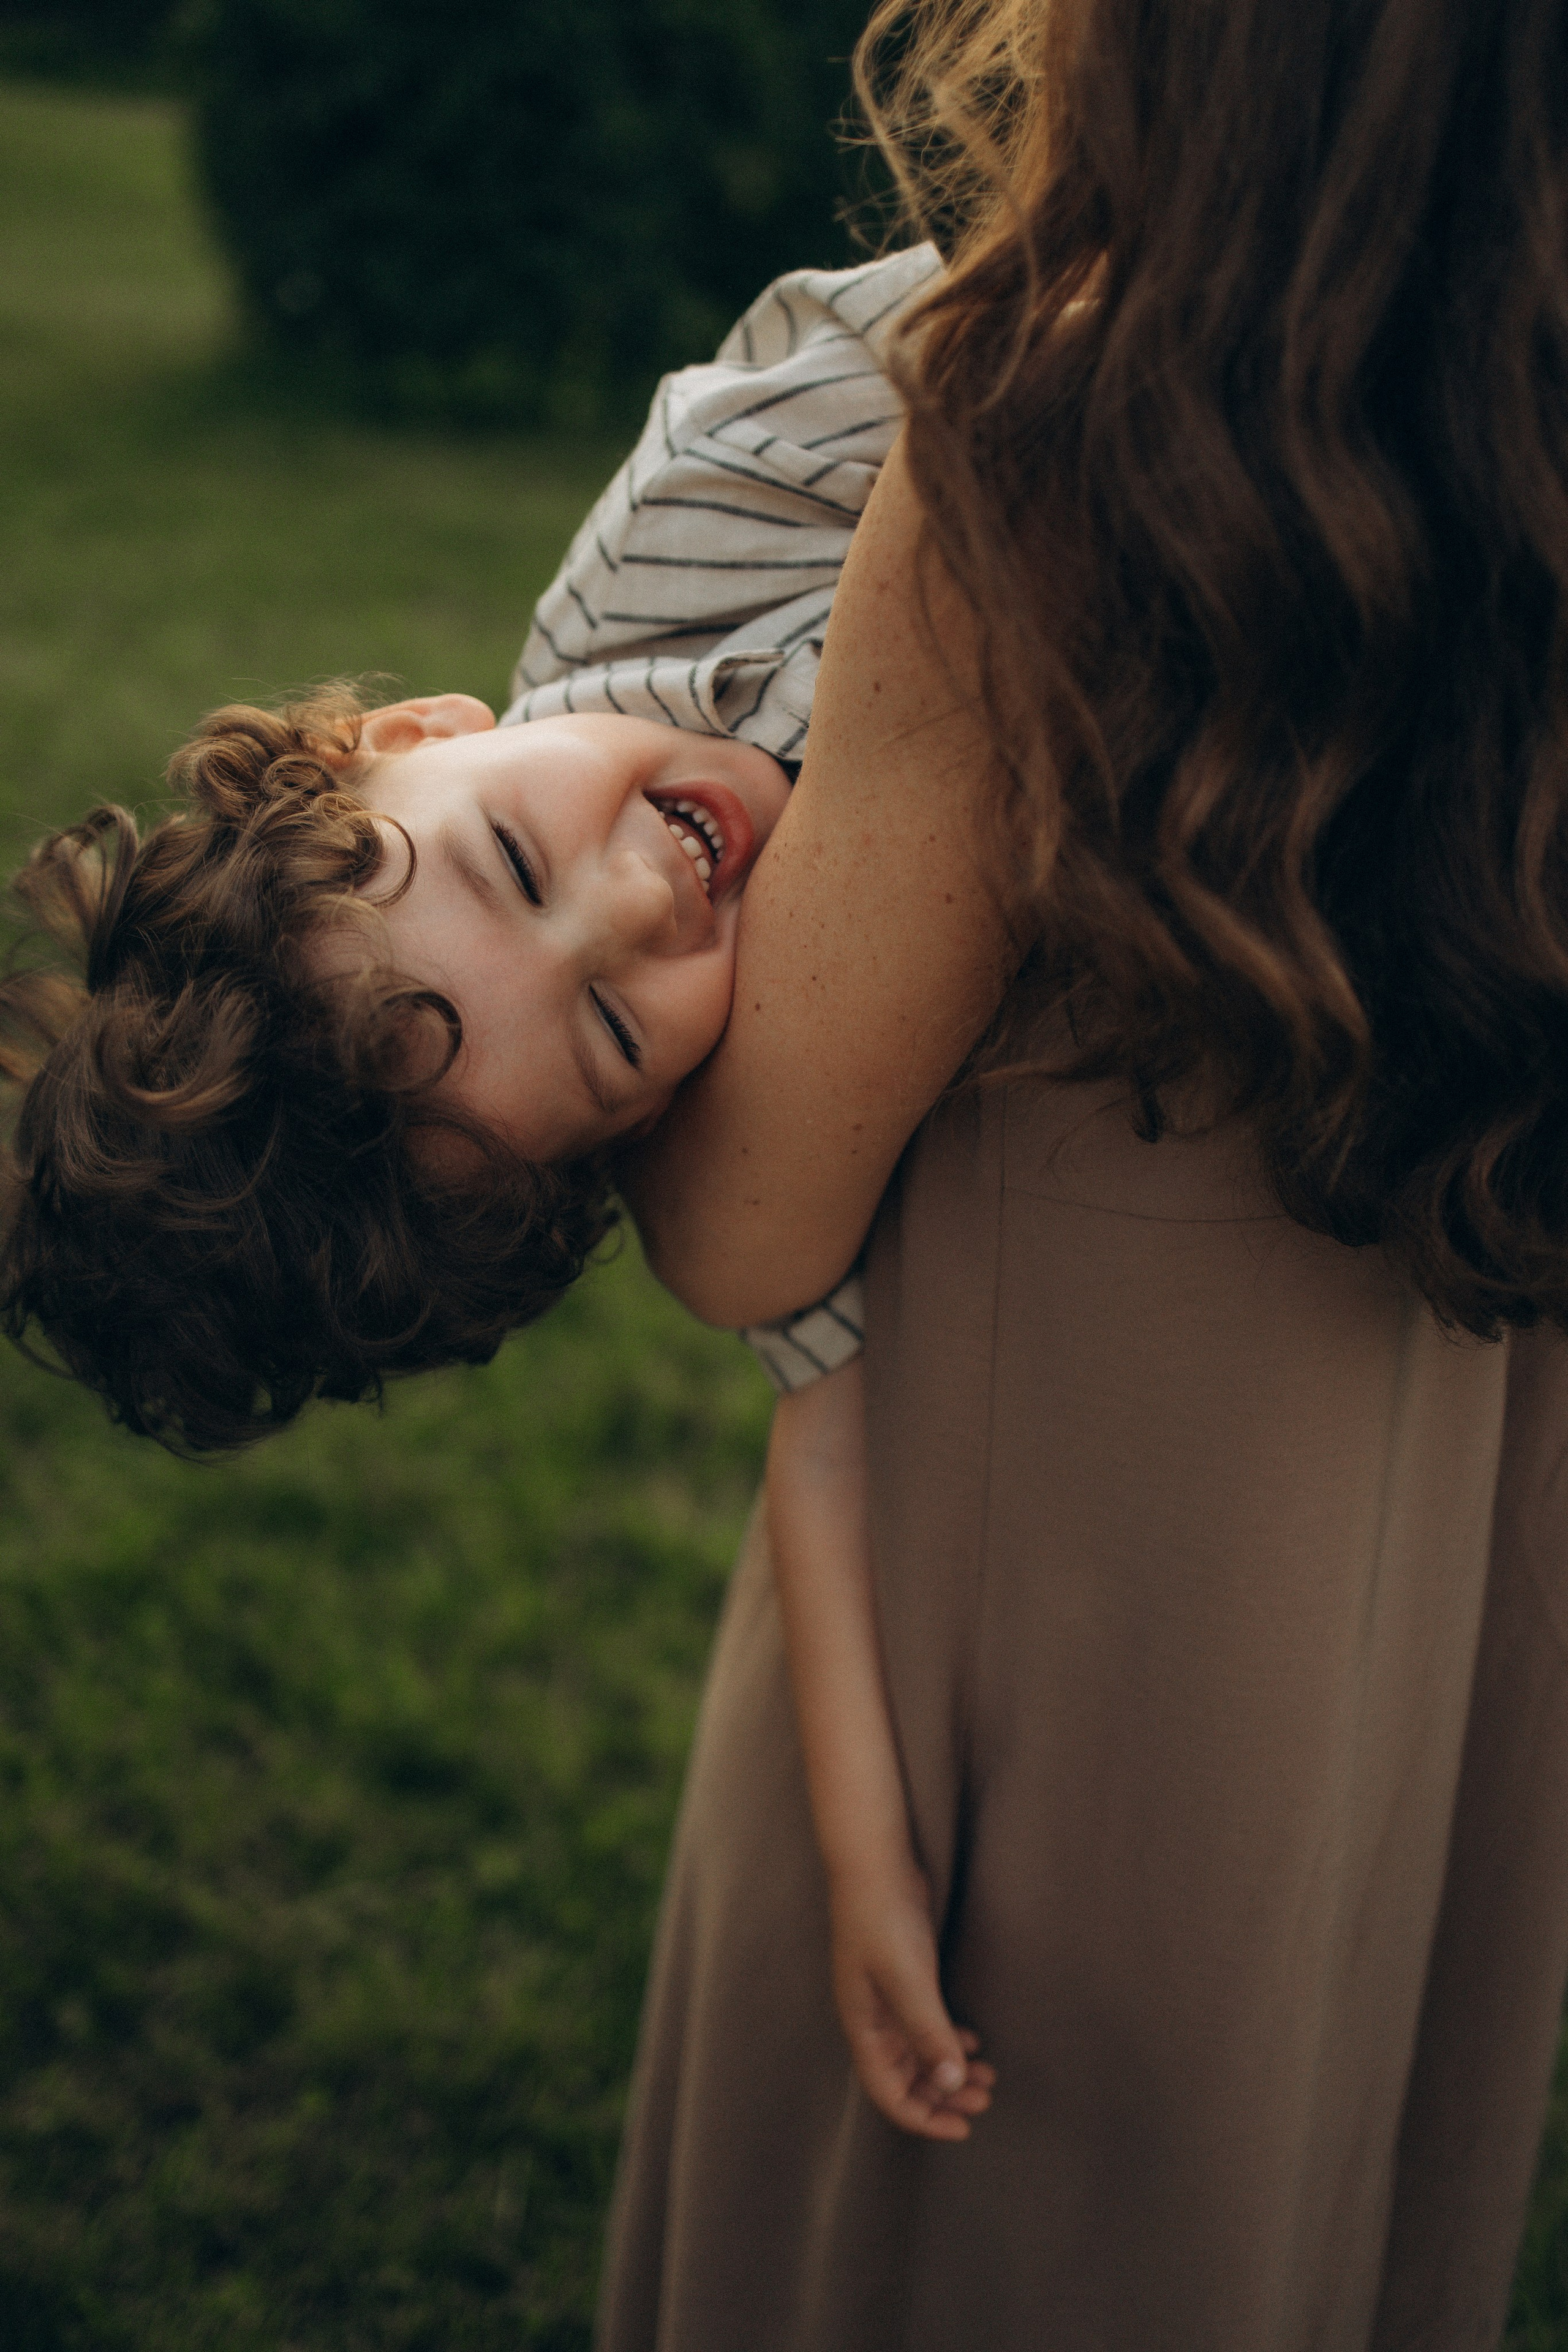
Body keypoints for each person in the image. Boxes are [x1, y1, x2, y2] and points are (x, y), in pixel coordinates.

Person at [588, 0, 1568, 2343]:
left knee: (975, 2239)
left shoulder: (1060, 447)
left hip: (1066, 1566)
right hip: (1446, 1497)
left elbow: (744, 1221)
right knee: (1304, 2166)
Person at [0, 248, 991, 2140]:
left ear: (425, 737)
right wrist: (871, 1871)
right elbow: (831, 1445)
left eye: (522, 861)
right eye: (617, 1036)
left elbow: (928, 317)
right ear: (601, 1153)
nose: (646, 905)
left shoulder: (670, 546)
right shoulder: (747, 1127)